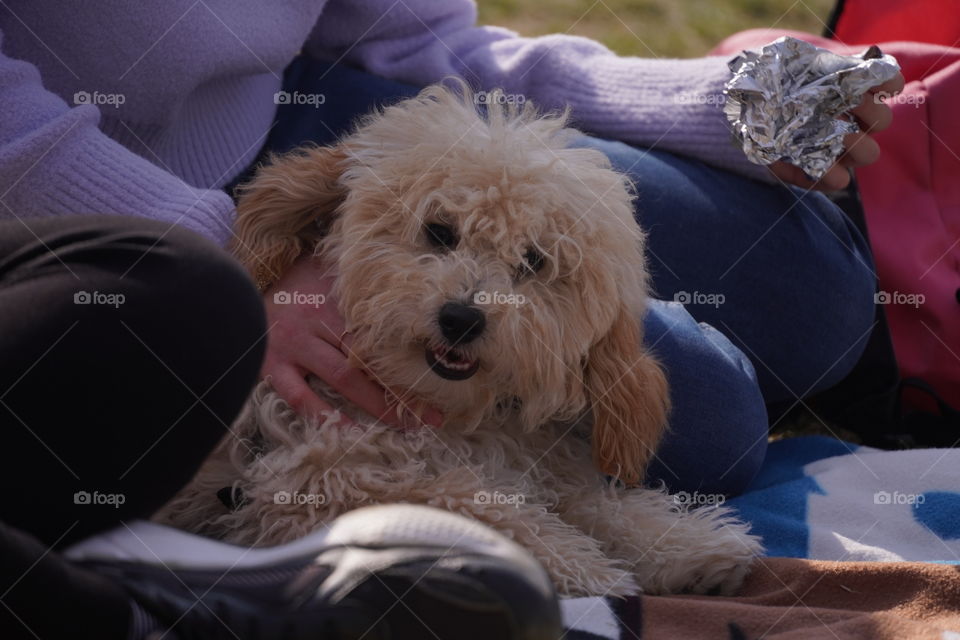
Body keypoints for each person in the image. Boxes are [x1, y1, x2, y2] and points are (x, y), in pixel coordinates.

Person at [0, 1, 903, 638]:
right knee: (713, 417)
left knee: (818, 293)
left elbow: (428, 45)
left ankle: (556, 321)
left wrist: (716, 107)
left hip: (284, 116)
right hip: (66, 187)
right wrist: (238, 260)